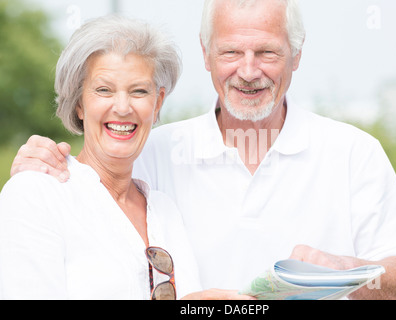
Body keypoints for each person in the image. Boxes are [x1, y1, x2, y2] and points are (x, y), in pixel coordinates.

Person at [9, 0, 396, 299]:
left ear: (296, 56)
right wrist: (37, 169)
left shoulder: (354, 152)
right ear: (206, 55)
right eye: (231, 52)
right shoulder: (151, 154)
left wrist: (341, 271)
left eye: (267, 52)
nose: (248, 71)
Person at [0, 15, 251, 300]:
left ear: (157, 104)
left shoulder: (164, 210)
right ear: (79, 103)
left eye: (139, 91)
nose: (122, 107)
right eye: (104, 89)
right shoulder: (37, 195)